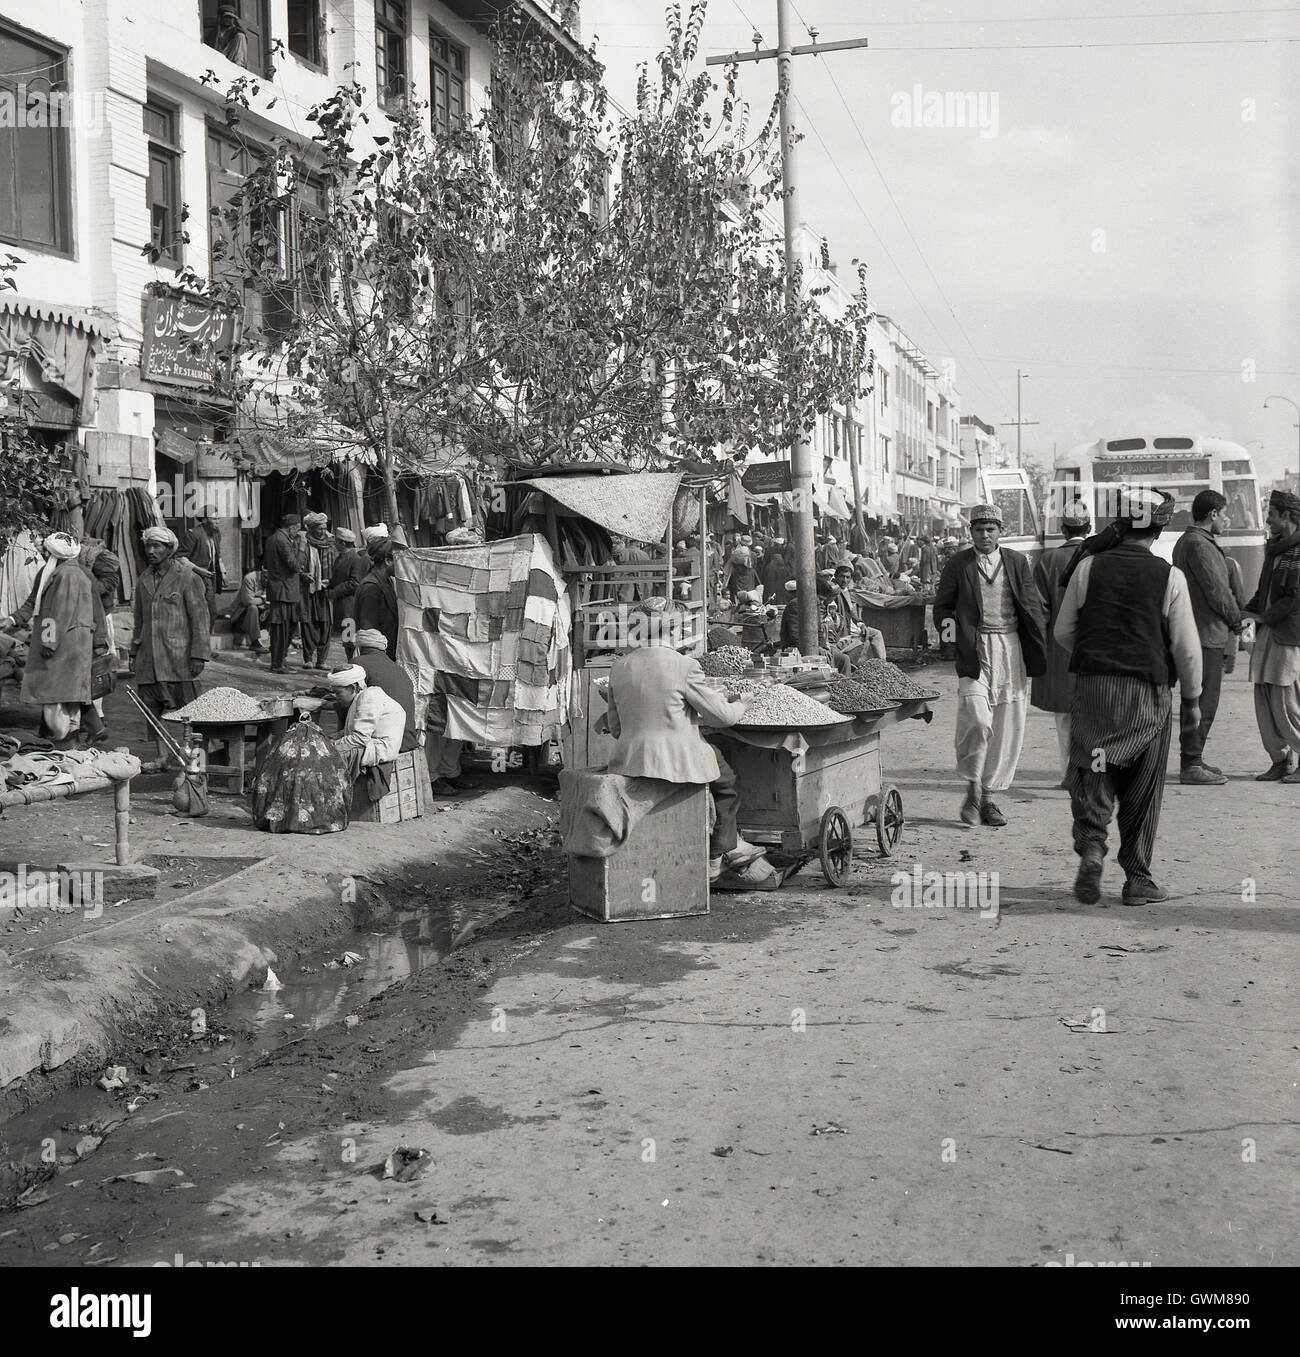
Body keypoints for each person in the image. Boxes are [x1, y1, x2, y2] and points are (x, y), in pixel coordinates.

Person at [1055, 487, 1201, 905]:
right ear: (1162, 525)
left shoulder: (1088, 568)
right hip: (1146, 695)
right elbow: (1186, 650)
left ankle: (1093, 846)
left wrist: (1098, 653)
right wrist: (1191, 698)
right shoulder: (1169, 576)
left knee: (1095, 769)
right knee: (1142, 785)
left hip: (1094, 689)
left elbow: (1064, 632)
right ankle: (1137, 878)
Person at [603, 599, 772, 885]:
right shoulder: (684, 666)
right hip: (676, 762)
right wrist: (742, 703)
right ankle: (718, 853)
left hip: (628, 760)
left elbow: (615, 727)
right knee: (727, 782)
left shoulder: (620, 667)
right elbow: (721, 718)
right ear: (673, 630)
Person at [933, 503, 1046, 827]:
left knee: (1006, 726)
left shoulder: (1016, 562)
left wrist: (1038, 637)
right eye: (979, 529)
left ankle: (988, 797)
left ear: (1000, 531)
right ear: (971, 532)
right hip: (975, 649)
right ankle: (971, 783)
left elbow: (1032, 604)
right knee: (978, 720)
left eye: (990, 529)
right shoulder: (958, 564)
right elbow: (943, 609)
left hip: (1010, 649)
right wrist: (954, 638)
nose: (984, 534)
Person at [1170, 490, 1241, 785]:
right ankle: (1191, 763)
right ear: (1212, 514)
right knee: (1203, 701)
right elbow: (1217, 592)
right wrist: (1237, 621)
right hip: (1206, 635)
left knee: (1196, 699)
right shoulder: (1200, 545)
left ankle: (1194, 758)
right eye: (1223, 514)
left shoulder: (1188, 542)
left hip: (1193, 631)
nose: (1226, 520)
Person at [0, 533, 95, 743]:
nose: (42, 553)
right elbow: (33, 600)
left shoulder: (68, 575)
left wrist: (49, 641)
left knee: (58, 694)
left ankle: (65, 739)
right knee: (61, 694)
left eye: (45, 551)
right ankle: (65, 739)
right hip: (61, 641)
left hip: (67, 644)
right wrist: (12, 620)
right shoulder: (51, 572)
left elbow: (60, 611)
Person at [131, 525, 210, 765]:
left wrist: (199, 654)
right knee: (152, 711)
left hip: (179, 658)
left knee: (193, 712)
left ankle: (200, 756)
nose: (151, 551)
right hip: (149, 658)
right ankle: (161, 757)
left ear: (169, 549)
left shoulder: (188, 577)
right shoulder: (143, 579)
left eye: (157, 546)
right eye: (148, 546)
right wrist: (133, 652)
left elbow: (200, 618)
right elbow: (139, 620)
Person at [1031, 499, 1092, 782]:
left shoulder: (1046, 561)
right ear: (1089, 527)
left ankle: (1069, 774)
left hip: (1058, 651)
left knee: (1064, 720)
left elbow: (1038, 611)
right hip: (1095, 648)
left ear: (1063, 530)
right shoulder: (1099, 559)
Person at [1244, 488, 1300, 781]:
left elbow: (1293, 598)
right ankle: (1280, 760)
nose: (1268, 521)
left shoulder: (1297, 551)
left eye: (1272, 515)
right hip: (1269, 634)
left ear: (1287, 516)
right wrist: (1245, 611)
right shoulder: (1276, 550)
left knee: (1286, 700)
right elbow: (1262, 593)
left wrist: (1261, 616)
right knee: (1264, 698)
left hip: (1287, 636)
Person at [327, 665, 405, 792]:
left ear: (353, 688)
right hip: (368, 745)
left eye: (338, 693)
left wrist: (330, 747)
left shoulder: (369, 697)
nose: (337, 697)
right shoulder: (361, 698)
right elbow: (352, 732)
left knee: (323, 761)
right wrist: (330, 738)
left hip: (378, 750)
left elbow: (359, 739)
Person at [354, 627, 417, 753]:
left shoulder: (358, 662)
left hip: (386, 742)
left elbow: (349, 700)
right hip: (407, 740)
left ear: (359, 648)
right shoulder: (399, 669)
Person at [263, 513, 307, 673]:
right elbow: (294, 565)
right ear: (292, 527)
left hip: (283, 590)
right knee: (281, 628)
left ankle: (280, 660)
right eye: (297, 529)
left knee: (286, 627)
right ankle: (277, 664)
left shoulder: (274, 538)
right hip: (284, 591)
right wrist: (301, 549)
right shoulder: (281, 540)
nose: (298, 533)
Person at [299, 512, 337, 671]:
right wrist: (303, 575)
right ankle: (308, 658)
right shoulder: (303, 543)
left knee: (325, 624)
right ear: (312, 528)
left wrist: (332, 580)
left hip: (325, 592)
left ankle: (321, 660)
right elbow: (298, 565)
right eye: (319, 528)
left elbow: (336, 566)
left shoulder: (331, 543)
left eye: (324, 528)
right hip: (309, 590)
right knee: (308, 623)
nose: (322, 531)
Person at [354, 538, 399, 660]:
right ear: (388, 561)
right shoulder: (371, 588)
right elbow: (368, 628)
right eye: (398, 561)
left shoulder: (387, 582)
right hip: (378, 656)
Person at [179, 508, 224, 624]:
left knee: (211, 611)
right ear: (204, 520)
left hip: (208, 577)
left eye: (218, 518)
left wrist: (223, 573)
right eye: (214, 519)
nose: (217, 522)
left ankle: (208, 637)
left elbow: (217, 555)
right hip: (193, 577)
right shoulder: (193, 534)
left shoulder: (216, 534)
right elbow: (180, 558)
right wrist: (198, 569)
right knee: (197, 611)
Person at [329, 527, 369, 661]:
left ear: (343, 543)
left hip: (349, 608)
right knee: (347, 640)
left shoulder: (354, 559)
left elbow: (355, 582)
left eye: (337, 541)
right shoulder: (341, 558)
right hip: (342, 606)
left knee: (350, 640)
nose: (335, 544)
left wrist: (335, 591)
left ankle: (352, 664)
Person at [229, 567, 269, 653]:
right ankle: (255, 643)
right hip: (241, 617)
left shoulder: (272, 582)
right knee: (253, 608)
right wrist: (264, 600)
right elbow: (248, 601)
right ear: (262, 572)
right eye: (266, 577)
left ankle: (271, 641)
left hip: (259, 617)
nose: (267, 580)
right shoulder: (250, 578)